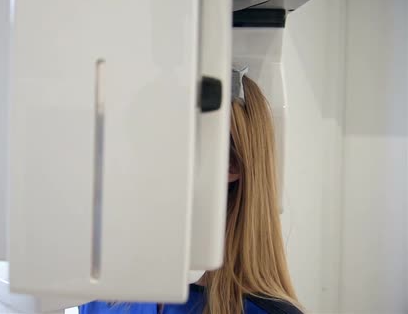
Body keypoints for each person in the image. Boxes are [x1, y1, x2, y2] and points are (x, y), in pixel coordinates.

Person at [79, 75, 303, 314]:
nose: (130, 166)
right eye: (135, 143)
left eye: (158, 145)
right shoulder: (106, 298)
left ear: (232, 164)